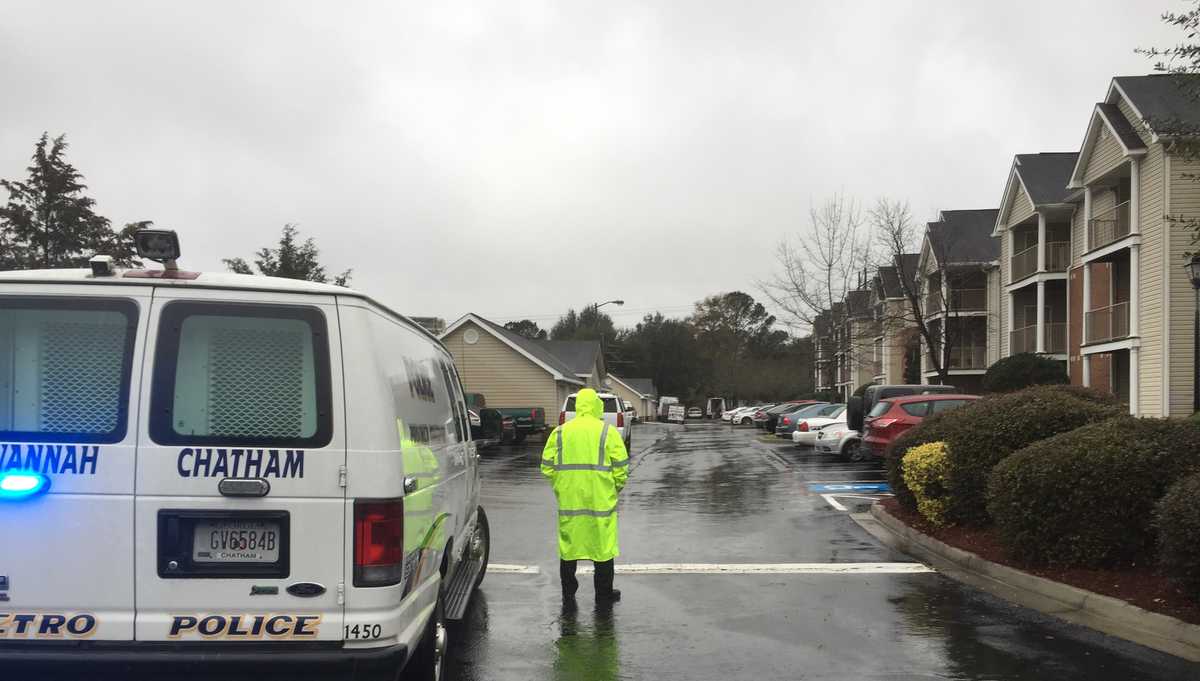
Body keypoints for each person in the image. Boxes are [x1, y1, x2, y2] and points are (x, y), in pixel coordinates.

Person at [541, 388, 630, 602]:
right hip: (600, 502)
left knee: (569, 548)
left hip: (570, 501)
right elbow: (621, 468)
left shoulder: (560, 432)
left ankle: (568, 592)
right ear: (597, 406)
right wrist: (612, 489)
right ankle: (604, 593)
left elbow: (547, 466)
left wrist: (561, 486)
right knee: (603, 548)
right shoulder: (607, 432)